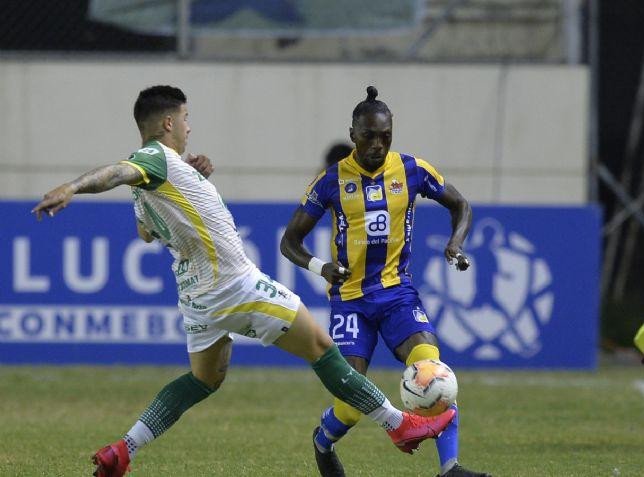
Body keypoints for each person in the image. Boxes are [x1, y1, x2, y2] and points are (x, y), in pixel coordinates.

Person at [31, 85, 456, 477]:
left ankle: (124, 449)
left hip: (196, 298)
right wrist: (72, 187)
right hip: (233, 284)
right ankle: (398, 425)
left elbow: (146, 232)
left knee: (203, 379)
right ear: (167, 124)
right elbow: (118, 171)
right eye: (185, 118)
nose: (189, 126)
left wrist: (190, 176)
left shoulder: (157, 178)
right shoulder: (152, 159)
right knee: (323, 350)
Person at [281, 86, 490, 477]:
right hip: (350, 301)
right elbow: (289, 241)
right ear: (353, 134)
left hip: (397, 294)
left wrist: (455, 243)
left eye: (385, 136)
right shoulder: (331, 181)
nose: (378, 144)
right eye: (369, 136)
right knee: (352, 401)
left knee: (433, 370)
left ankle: (450, 468)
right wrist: (320, 267)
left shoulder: (412, 170)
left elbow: (460, 204)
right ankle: (322, 442)